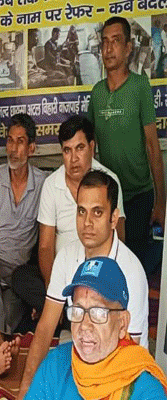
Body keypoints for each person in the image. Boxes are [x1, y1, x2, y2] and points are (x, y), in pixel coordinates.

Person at [18, 170, 149, 398]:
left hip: (122, 374)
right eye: (81, 211)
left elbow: (129, 348)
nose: (87, 222)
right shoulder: (67, 256)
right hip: (83, 353)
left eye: (97, 212)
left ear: (113, 218)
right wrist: (25, 387)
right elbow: (46, 327)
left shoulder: (131, 272)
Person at [13, 115, 126, 316]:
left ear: (92, 147)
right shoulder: (51, 184)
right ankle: (68, 313)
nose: (73, 159)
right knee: (20, 277)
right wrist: (52, 292)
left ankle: (66, 315)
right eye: (67, 150)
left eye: (79, 148)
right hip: (63, 276)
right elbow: (46, 246)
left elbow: (120, 240)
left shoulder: (109, 182)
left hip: (97, 276)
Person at [87, 16, 166, 276]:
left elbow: (152, 146)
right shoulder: (97, 93)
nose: (109, 48)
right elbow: (89, 147)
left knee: (139, 268)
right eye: (105, 42)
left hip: (139, 196)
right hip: (109, 199)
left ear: (128, 48)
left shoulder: (139, 86)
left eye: (116, 41)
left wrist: (161, 201)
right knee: (112, 267)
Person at [25, 257, 167, 399]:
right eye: (77, 311)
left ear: (122, 323)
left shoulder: (145, 391)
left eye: (98, 313)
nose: (84, 325)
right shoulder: (56, 363)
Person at [0, 113, 46, 359]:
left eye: (20, 142)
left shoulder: (43, 184)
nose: (13, 149)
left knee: (6, 312)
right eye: (9, 141)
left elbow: (46, 237)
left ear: (31, 148)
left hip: (20, 273)